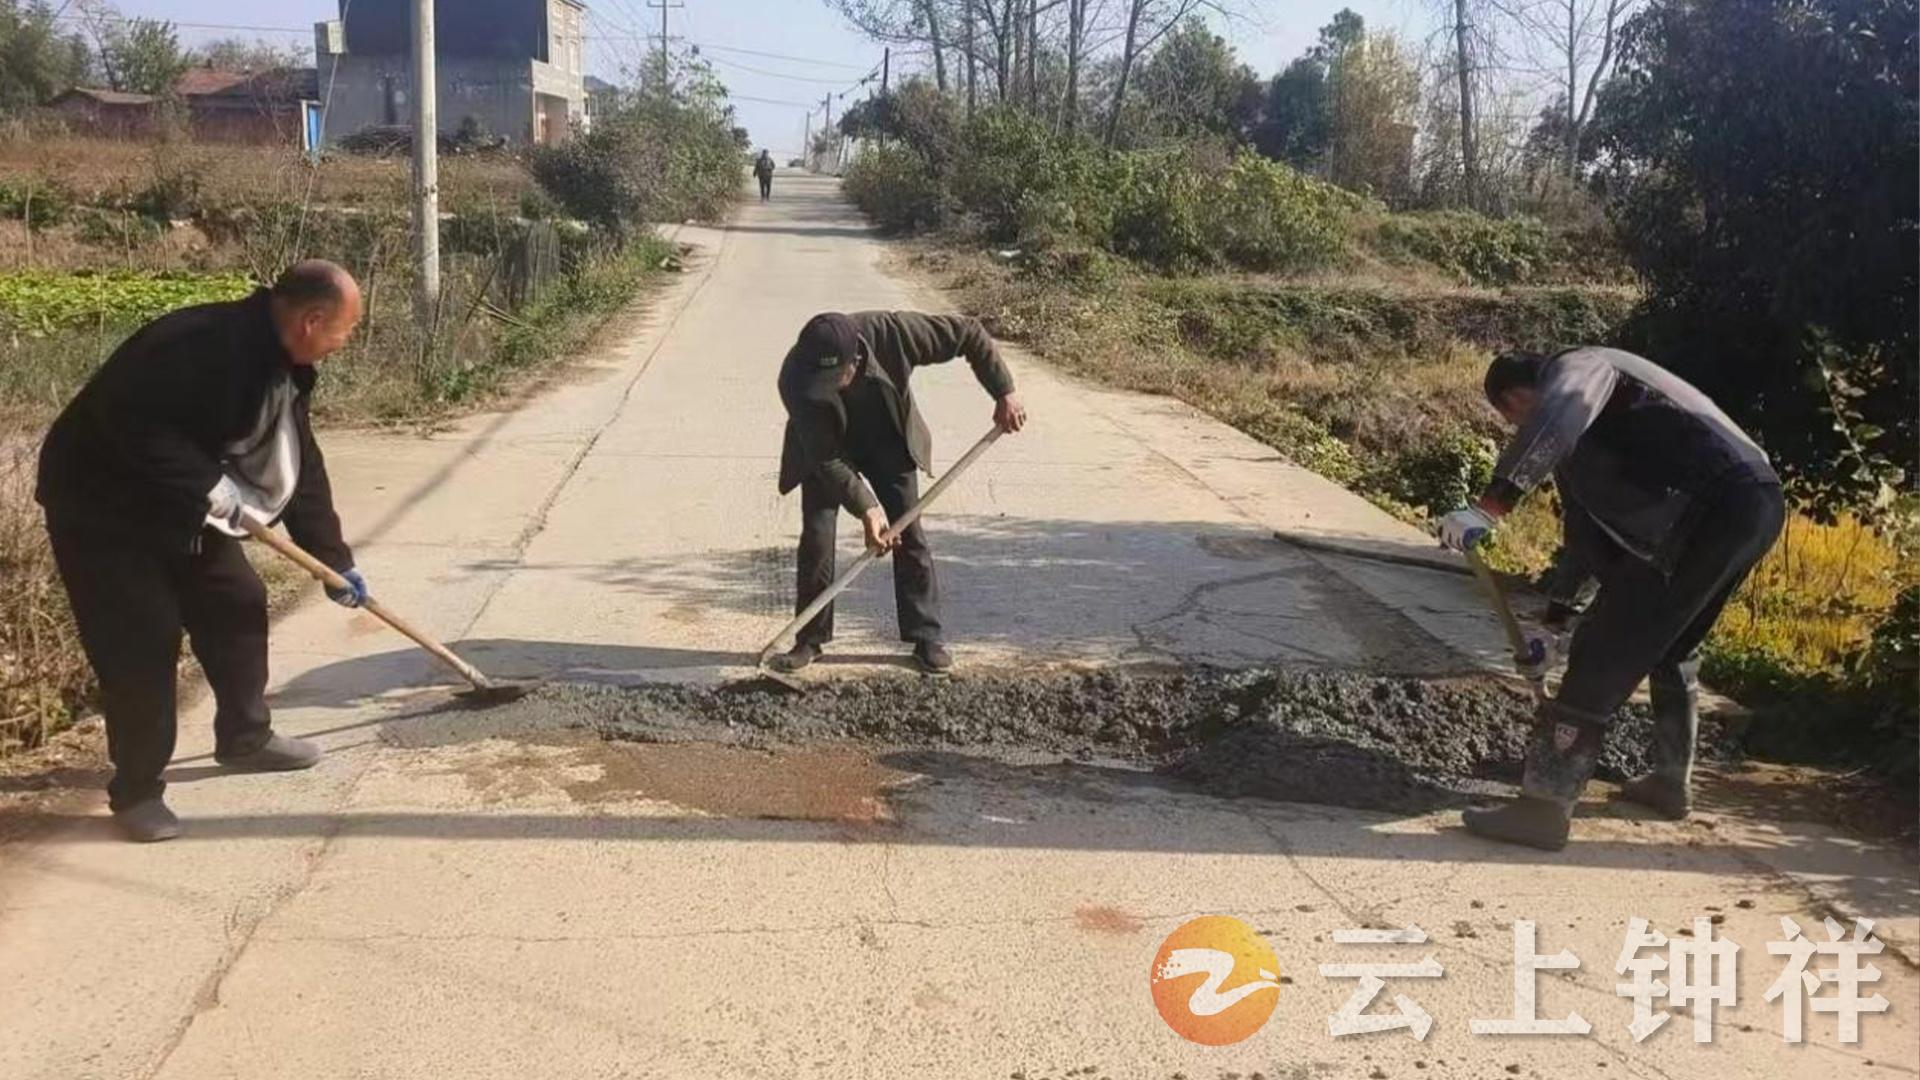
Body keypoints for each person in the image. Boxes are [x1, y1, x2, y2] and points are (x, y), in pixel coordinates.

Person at [36, 260, 370, 843]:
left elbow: (301, 465)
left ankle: (245, 737)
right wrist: (206, 484)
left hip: (180, 503)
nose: (346, 341)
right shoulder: (200, 344)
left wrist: (335, 560)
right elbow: (128, 421)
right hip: (103, 511)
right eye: (347, 328)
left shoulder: (282, 366)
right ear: (312, 321)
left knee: (236, 600)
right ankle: (137, 792)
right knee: (141, 641)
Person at [1436, 346, 1784, 851]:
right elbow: (1587, 542)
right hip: (1748, 507)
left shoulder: (1581, 369)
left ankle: (1542, 810)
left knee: (1600, 652)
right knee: (1673, 645)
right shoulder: (1584, 449)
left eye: (1511, 416)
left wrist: (1490, 507)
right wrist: (1554, 627)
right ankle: (1669, 782)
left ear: (1516, 395)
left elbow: (1562, 410)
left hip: (1717, 505)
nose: (1517, 427)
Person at [771, 311, 1028, 675]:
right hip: (827, 448)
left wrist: (1004, 391)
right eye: (819, 381)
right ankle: (809, 639)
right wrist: (867, 508)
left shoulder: (893, 334)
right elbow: (825, 457)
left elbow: (968, 332)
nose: (826, 387)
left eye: (833, 378)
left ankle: (926, 636)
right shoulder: (795, 376)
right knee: (817, 535)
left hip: (887, 440)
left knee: (909, 533)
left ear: (855, 360)